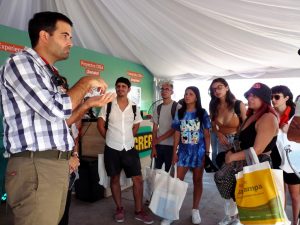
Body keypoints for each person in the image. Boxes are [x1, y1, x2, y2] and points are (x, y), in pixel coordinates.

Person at [0, 11, 116, 225]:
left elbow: (61, 120)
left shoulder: (49, 71)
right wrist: (85, 82)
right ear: (44, 36)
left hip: (53, 165)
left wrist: (88, 104)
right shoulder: (21, 63)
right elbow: (55, 109)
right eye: (65, 35)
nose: (70, 42)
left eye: (71, 37)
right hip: (37, 165)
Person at [97, 77, 154, 224]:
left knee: (138, 179)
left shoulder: (134, 107)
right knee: (114, 178)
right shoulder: (108, 105)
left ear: (128, 89)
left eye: (123, 86)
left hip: (129, 148)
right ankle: (119, 208)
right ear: (115, 88)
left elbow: (136, 125)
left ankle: (139, 211)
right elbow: (100, 124)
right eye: (118, 86)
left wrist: (129, 137)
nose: (120, 88)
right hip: (112, 148)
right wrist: (109, 138)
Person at [224, 83, 279, 223]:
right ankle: (235, 217)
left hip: (256, 164)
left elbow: (258, 149)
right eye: (249, 95)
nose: (250, 98)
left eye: (255, 96)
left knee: (255, 201)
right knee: (241, 195)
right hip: (244, 164)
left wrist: (232, 157)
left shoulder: (268, 117)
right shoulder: (252, 116)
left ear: (265, 99)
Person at [208, 78, 246, 225]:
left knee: (237, 180)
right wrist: (218, 133)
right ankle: (229, 215)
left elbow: (246, 126)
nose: (217, 90)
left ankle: (238, 216)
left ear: (227, 87)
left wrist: (236, 145)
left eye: (220, 87)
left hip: (236, 146)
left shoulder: (238, 104)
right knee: (223, 180)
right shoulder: (213, 104)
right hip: (219, 144)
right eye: (214, 89)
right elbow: (212, 122)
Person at [171, 86, 211, 225]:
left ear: (196, 97)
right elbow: (177, 133)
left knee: (197, 181)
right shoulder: (180, 112)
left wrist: (207, 152)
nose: (187, 96)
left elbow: (206, 134)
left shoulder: (202, 113)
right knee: (177, 182)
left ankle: (195, 210)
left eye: (191, 94)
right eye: (186, 93)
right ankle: (172, 212)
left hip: (198, 152)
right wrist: (174, 153)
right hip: (183, 153)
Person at [271, 85, 299, 225]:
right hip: (276, 157)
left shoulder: (296, 115)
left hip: (294, 159)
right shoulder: (271, 114)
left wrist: (290, 130)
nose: (273, 100)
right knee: (280, 194)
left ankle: (296, 221)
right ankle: (282, 221)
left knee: (295, 196)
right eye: (272, 97)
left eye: (277, 97)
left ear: (286, 98)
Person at [151, 80, 179, 172]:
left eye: (167, 89)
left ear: (172, 92)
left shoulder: (177, 107)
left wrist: (159, 139)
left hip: (171, 146)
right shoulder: (157, 108)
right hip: (158, 146)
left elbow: (175, 128)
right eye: (162, 89)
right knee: (156, 173)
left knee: (170, 175)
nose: (164, 91)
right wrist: (153, 147)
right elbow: (154, 129)